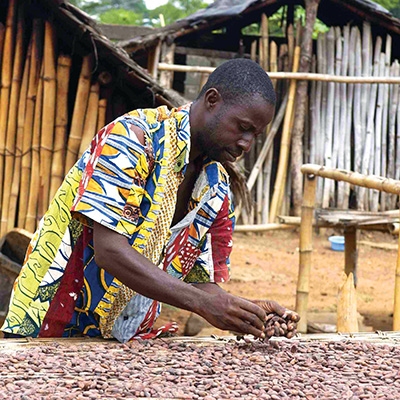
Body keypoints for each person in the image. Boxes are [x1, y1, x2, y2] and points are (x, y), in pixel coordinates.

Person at [2, 58, 298, 343]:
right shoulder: (133, 139)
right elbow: (110, 251)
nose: (246, 143)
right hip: (49, 324)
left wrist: (246, 312)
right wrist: (203, 304)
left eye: (255, 135)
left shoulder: (215, 187)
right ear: (212, 100)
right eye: (243, 127)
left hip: (123, 338)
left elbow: (198, 281)